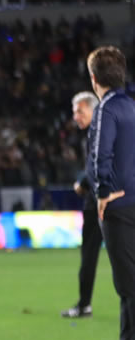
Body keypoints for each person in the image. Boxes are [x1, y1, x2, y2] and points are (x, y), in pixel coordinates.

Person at [85, 45, 135, 340]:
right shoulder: (131, 105)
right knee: (128, 281)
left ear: (94, 78)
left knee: (127, 282)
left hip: (117, 205)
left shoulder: (106, 109)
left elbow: (100, 153)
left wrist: (103, 192)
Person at [61, 91, 101, 319]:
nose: (75, 116)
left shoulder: (98, 131)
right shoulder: (93, 132)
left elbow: (97, 162)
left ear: (92, 110)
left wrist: (82, 181)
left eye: (79, 111)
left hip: (101, 201)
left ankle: (84, 305)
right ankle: (84, 304)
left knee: (90, 255)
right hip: (99, 200)